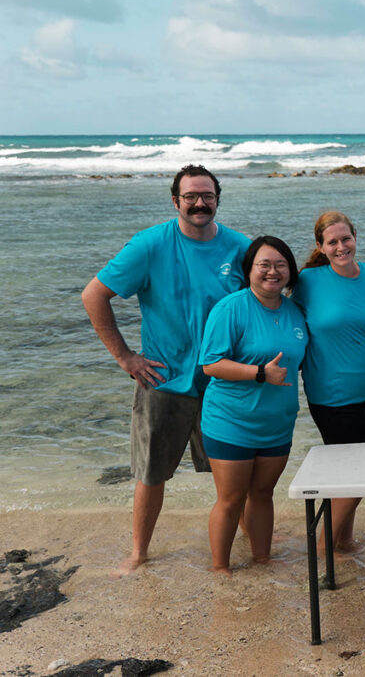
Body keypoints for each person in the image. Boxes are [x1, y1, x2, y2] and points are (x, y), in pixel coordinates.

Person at [81, 164, 250, 576]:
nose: (199, 203)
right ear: (175, 200)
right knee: (151, 473)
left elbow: (262, 302)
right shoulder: (150, 245)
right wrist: (125, 357)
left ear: (217, 199)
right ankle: (139, 552)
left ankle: (250, 534)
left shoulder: (240, 248)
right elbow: (94, 295)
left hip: (223, 381)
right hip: (164, 379)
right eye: (191, 196)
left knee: (231, 469)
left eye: (207, 196)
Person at [198, 236, 307, 574]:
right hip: (231, 421)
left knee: (262, 493)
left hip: (277, 422)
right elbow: (211, 364)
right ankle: (221, 568)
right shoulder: (231, 307)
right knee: (230, 500)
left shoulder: (295, 311)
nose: (273, 272)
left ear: (290, 271)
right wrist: (260, 372)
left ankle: (262, 557)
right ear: (249, 270)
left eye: (281, 265)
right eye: (265, 265)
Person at [291, 211, 365, 551]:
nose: (341, 246)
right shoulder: (308, 281)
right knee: (357, 478)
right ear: (321, 246)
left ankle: (343, 541)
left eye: (346, 239)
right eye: (333, 242)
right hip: (330, 394)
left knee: (353, 474)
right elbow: (282, 316)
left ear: (355, 237)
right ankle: (321, 551)